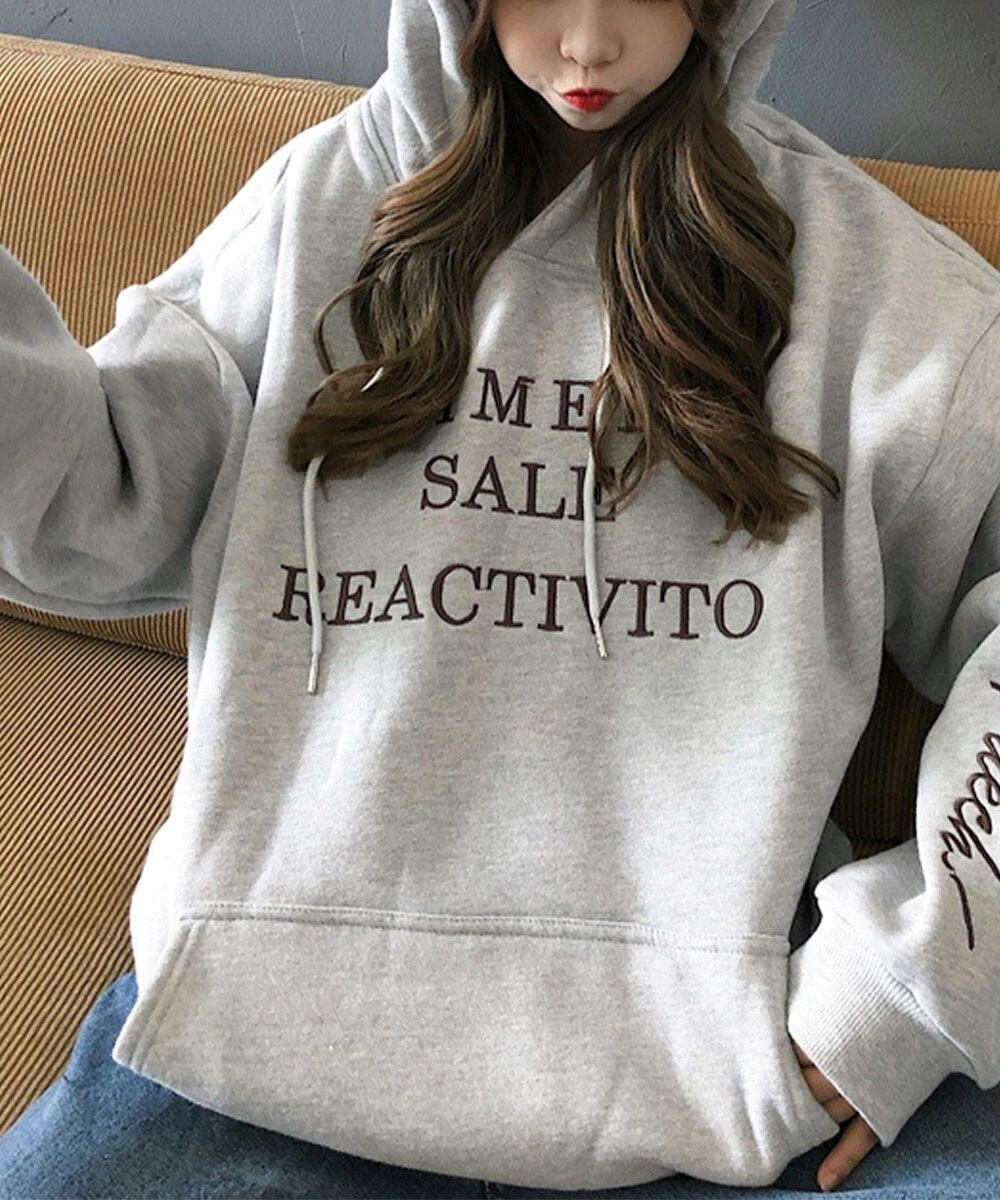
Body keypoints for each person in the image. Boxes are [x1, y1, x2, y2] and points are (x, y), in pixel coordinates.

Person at [1, 1, 999, 1197]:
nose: (588, 42)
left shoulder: (870, 280)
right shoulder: (324, 204)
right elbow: (95, 513)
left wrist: (906, 991)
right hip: (254, 1040)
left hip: (728, 1063)